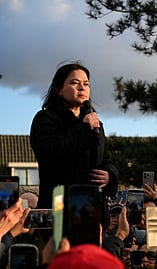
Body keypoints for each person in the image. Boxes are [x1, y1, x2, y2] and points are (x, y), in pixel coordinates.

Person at [29, 62, 118, 233]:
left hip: (93, 212)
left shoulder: (95, 123)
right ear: (59, 89)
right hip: (60, 213)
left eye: (86, 84)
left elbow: (106, 160)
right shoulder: (45, 119)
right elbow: (50, 153)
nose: (82, 88)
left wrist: (109, 176)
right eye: (74, 83)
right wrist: (83, 129)